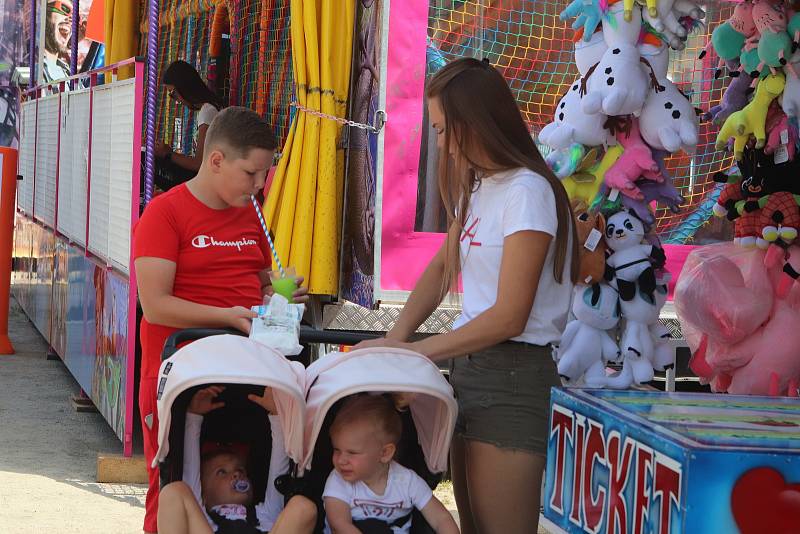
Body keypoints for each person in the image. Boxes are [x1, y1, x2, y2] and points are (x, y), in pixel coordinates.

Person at [355, 57, 579, 534]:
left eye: (441, 129)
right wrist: (396, 340)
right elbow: (441, 269)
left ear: (472, 122)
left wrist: (413, 353)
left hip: (514, 377)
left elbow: (509, 316)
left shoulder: (529, 190)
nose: (440, 143)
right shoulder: (479, 186)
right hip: (469, 374)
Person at [134, 106, 308, 534]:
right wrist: (227, 316)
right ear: (216, 161)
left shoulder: (251, 214)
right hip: (183, 369)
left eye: (264, 174)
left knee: (260, 467)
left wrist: (276, 294)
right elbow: (155, 304)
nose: (259, 184)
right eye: (252, 173)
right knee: (171, 482)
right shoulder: (164, 213)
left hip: (247, 367)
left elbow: (251, 279)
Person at [158, 386, 317, 534]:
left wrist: (277, 414)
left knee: (303, 506)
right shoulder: (202, 514)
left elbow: (278, 472)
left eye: (240, 470)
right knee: (173, 491)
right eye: (222, 472)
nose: (236, 475)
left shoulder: (265, 513)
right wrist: (194, 416)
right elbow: (190, 470)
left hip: (261, 526)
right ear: (203, 494)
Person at [323, 394, 459, 534]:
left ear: (384, 453)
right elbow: (339, 525)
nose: (341, 460)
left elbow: (441, 518)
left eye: (352, 453)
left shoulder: (407, 481)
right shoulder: (338, 481)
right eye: (336, 450)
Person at [154, 60, 224, 188]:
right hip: (206, 178)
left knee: (150, 162)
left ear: (183, 87)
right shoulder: (208, 109)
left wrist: (168, 154)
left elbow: (198, 164)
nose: (175, 100)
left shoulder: (208, 111)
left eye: (173, 93)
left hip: (208, 182)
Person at [42, 0, 72, 82]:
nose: (71, 18)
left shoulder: (67, 72)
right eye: (65, 9)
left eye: (76, 16)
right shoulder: (32, 68)